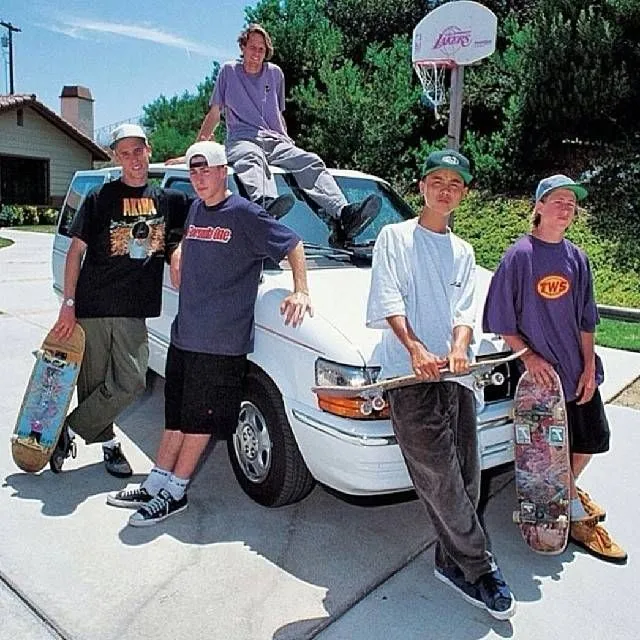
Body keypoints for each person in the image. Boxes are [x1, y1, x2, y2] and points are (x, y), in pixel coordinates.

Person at [106, 141, 313, 526]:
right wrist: (179, 250)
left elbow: (293, 243)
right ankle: (156, 482)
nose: (199, 178)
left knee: (199, 422)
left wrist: (300, 289)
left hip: (220, 343)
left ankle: (176, 492)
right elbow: (186, 238)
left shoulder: (245, 214)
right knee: (176, 417)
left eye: (206, 170)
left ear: (223, 172)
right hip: (185, 335)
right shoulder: (198, 209)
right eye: (193, 171)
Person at [366, 149, 516, 620]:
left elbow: (464, 311)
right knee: (439, 476)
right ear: (421, 187)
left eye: (455, 183)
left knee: (468, 478)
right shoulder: (394, 237)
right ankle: (481, 568)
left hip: (457, 376)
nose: (445, 190)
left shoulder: (464, 252)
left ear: (464, 193)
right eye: (437, 181)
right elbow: (389, 297)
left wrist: (459, 345)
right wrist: (415, 348)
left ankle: (449, 562)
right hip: (407, 375)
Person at [482, 174, 627, 564]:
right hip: (540, 382)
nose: (566, 208)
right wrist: (528, 357)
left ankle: (564, 494)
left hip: (575, 371)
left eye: (571, 203)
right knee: (546, 451)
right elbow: (501, 320)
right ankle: (574, 515)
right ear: (539, 207)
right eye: (558, 200)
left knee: (592, 439)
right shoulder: (519, 257)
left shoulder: (577, 258)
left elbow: (587, 319)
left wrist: (588, 366)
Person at [51, 123, 191, 477]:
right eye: (125, 153)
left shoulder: (168, 200)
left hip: (133, 309)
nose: (133, 159)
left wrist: (177, 251)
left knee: (131, 382)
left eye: (138, 151)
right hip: (93, 306)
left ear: (149, 150)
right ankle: (109, 445)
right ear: (116, 157)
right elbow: (75, 252)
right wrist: (68, 304)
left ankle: (68, 430)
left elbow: (196, 220)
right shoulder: (100, 198)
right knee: (94, 385)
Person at [170, 23, 380, 243]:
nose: (256, 54)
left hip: (273, 139)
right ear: (243, 47)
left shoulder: (275, 74)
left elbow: (277, 114)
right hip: (242, 139)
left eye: (261, 50)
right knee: (252, 158)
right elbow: (214, 114)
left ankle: (344, 212)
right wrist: (194, 153)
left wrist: (288, 143)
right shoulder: (229, 72)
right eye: (252, 48)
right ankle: (266, 204)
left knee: (309, 160)